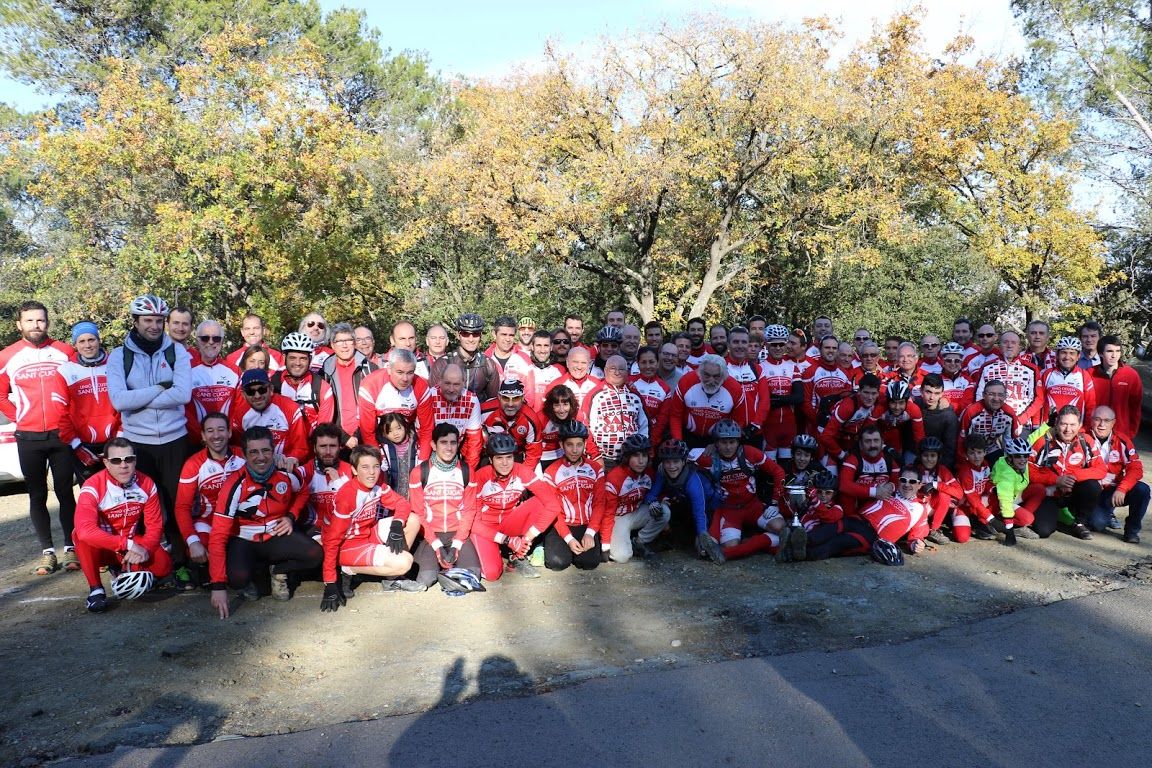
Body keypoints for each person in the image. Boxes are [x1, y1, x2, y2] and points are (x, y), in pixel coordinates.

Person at [106, 294, 193, 581]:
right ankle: (149, 565)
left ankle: (181, 563)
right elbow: (118, 401)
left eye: (159, 320)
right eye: (148, 320)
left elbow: (183, 394)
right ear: (135, 321)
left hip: (174, 439)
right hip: (139, 442)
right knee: (144, 508)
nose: (154, 326)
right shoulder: (120, 356)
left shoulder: (177, 352)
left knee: (177, 504)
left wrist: (138, 399)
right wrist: (159, 388)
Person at [0, 300, 79, 574]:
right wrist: (19, 416)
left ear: (48, 322)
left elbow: (78, 388)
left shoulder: (65, 352)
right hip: (29, 436)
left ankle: (71, 548)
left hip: (61, 435)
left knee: (65, 491)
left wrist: (71, 419)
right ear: (19, 324)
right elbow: (0, 394)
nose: (36, 325)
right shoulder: (6, 356)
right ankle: (47, 551)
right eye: (30, 321)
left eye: (41, 320)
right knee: (36, 495)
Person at [210, 426, 321, 617]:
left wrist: (291, 516)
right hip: (244, 539)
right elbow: (218, 535)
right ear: (244, 455)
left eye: (265, 450)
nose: (261, 457)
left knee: (315, 554)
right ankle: (254, 574)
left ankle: (278, 571)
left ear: (273, 450)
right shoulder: (234, 484)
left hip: (275, 533)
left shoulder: (287, 473)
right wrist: (217, 585)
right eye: (253, 452)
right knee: (236, 579)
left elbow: (303, 491)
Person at [73, 438, 172, 612]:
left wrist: (145, 550)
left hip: (130, 545)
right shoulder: (92, 486)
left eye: (129, 459)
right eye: (116, 461)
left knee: (163, 566)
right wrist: (130, 545)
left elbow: (155, 527)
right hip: (104, 547)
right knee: (80, 537)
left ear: (135, 460)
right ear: (106, 463)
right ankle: (95, 589)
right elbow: (85, 531)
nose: (123, 465)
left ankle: (123, 568)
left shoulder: (146, 483)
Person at [319, 445, 420, 610]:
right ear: (354, 470)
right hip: (347, 545)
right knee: (405, 561)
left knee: (412, 520)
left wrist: (397, 524)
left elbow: (402, 503)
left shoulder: (376, 483)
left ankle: (392, 578)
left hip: (366, 534)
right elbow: (332, 540)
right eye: (365, 467)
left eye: (376, 466)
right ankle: (347, 570)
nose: (372, 472)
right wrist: (329, 581)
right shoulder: (347, 496)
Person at [696, 419, 791, 561]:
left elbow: (778, 472)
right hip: (729, 511)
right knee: (730, 546)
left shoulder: (750, 453)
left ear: (738, 442)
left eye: (732, 442)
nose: (728, 447)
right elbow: (683, 467)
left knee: (781, 528)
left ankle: (750, 543)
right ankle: (757, 543)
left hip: (753, 506)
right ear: (716, 442)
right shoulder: (707, 458)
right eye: (723, 442)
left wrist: (774, 502)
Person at [469, 433, 560, 580]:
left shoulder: (522, 471)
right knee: (492, 574)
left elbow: (553, 505)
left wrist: (528, 536)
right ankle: (498, 551)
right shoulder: (480, 477)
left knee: (540, 502)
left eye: (509, 457)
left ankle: (517, 556)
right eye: (499, 458)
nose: (505, 463)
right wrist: (506, 540)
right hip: (486, 526)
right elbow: (472, 522)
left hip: (510, 523)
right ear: (490, 459)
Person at [408, 423, 483, 592]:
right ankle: (439, 565)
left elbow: (469, 510)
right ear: (434, 445)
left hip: (457, 532)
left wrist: (457, 543)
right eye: (443, 442)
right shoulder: (419, 472)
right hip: (430, 535)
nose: (449, 448)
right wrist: (436, 545)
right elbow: (418, 512)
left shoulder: (466, 470)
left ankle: (448, 565)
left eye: (453, 442)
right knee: (426, 580)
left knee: (473, 575)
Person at [174, 412, 246, 586]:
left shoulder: (243, 455)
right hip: (209, 520)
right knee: (200, 544)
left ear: (229, 433)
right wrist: (192, 542)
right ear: (203, 436)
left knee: (239, 575)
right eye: (210, 431)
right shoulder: (193, 464)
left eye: (221, 430)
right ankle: (204, 567)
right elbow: (182, 506)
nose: (216, 435)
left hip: (241, 520)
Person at [1020, 406, 1104, 539]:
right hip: (1050, 494)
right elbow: (1029, 472)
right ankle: (1055, 515)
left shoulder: (1085, 440)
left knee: (1092, 486)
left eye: (1072, 425)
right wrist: (1057, 480)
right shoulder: (1044, 441)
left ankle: (1080, 523)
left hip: (1073, 491)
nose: (1068, 429)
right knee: (1043, 531)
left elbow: (1101, 469)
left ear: (1079, 425)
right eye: (1064, 424)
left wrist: (1074, 477)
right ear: (1057, 423)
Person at [56, 321, 119, 483]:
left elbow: (126, 404)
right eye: (82, 341)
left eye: (91, 339)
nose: (88, 345)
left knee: (119, 493)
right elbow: (60, 412)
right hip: (82, 445)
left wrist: (120, 437)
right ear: (75, 344)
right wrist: (75, 444)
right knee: (90, 495)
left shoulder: (115, 364)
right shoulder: (66, 370)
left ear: (99, 340)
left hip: (114, 441)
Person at [643, 437, 724, 561]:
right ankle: (671, 536)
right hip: (684, 501)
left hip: (709, 507)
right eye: (667, 462)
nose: (671, 466)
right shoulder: (662, 470)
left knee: (702, 550)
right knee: (664, 509)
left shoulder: (693, 480)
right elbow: (652, 494)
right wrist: (652, 502)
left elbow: (700, 513)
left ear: (684, 461)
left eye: (676, 461)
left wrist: (702, 534)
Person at [543, 420, 606, 571]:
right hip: (562, 525)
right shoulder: (551, 472)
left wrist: (590, 533)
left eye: (579, 444)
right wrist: (568, 539)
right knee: (557, 563)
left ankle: (579, 548)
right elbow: (553, 510)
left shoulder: (596, 469)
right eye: (569, 444)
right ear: (561, 445)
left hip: (586, 525)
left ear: (585, 444)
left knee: (589, 563)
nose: (575, 450)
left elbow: (600, 504)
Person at [593, 433, 665, 563]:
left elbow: (656, 493)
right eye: (636, 456)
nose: (641, 461)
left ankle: (639, 542)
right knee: (621, 557)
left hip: (637, 512)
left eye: (644, 455)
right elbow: (607, 513)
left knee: (664, 511)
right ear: (627, 457)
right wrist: (605, 544)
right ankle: (623, 542)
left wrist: (659, 501)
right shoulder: (615, 478)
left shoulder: (649, 473)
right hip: (617, 517)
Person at [1085, 405, 1147, 542]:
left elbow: (1136, 468)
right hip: (1091, 491)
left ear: (1113, 423)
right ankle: (1098, 514)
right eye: (1098, 419)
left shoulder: (1122, 440)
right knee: (1097, 524)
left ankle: (1132, 531)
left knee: (1143, 490)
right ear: (1091, 420)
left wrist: (1122, 488)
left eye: (1107, 420)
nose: (1102, 424)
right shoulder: (1082, 438)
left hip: (1114, 490)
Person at [664, 353, 748, 454]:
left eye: (716, 376)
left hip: (718, 438)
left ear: (724, 376)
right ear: (699, 372)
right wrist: (679, 441)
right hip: (687, 434)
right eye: (707, 375)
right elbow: (675, 415)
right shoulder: (686, 381)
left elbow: (739, 421)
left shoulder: (735, 388)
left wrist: (718, 444)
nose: (711, 381)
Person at [358, 348, 433, 458]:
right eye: (400, 372)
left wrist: (422, 460)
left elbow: (427, 429)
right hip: (381, 437)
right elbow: (368, 432)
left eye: (410, 373)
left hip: (408, 436)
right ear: (389, 369)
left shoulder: (421, 386)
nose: (405, 379)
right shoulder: (370, 385)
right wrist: (379, 460)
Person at [229, 368, 310, 466]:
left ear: (271, 389)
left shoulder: (290, 408)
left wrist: (291, 459)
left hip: (283, 468)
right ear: (243, 394)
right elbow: (238, 447)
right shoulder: (239, 414)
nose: (257, 396)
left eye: (262, 390)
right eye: (250, 392)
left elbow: (301, 447)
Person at [581, 355, 648, 470]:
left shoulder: (634, 395)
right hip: (604, 459)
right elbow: (584, 426)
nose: (617, 372)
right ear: (605, 371)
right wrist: (595, 455)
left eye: (621, 369)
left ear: (627, 372)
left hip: (632, 458)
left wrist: (643, 451)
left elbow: (645, 426)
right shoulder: (595, 394)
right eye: (612, 368)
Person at [320, 322, 378, 456]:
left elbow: (377, 407)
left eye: (348, 340)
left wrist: (359, 435)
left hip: (366, 436)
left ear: (354, 343)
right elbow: (324, 413)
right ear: (333, 345)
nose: (344, 345)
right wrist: (344, 438)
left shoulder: (371, 370)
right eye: (339, 341)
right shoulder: (324, 373)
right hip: (336, 440)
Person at [969, 330, 1043, 429]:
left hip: (1021, 424)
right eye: (1005, 342)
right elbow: (978, 396)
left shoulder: (1031, 369)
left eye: (1013, 343)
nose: (1009, 345)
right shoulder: (987, 367)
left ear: (1019, 347)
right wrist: (985, 417)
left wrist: (1020, 420)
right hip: (990, 423)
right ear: (999, 346)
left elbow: (1037, 399)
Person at [186, 319, 240, 445]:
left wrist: (228, 433)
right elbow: (183, 409)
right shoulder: (186, 370)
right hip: (195, 441)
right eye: (205, 338)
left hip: (228, 440)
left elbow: (239, 407)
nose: (211, 342)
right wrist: (201, 435)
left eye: (216, 338)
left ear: (221, 341)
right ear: (197, 341)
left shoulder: (234, 370)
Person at [800, 471, 875, 560]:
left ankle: (802, 548)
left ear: (834, 494)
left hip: (822, 540)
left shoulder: (837, 508)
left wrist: (816, 502)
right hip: (804, 533)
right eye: (819, 492)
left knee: (816, 550)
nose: (823, 496)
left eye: (828, 492)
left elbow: (828, 517)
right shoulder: (809, 504)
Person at [296, 423, 354, 535]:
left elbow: (356, 506)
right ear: (314, 448)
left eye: (332, 446)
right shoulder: (303, 472)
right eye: (322, 446)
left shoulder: (351, 471)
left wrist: (338, 482)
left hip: (344, 529)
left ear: (340, 447)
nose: (328, 452)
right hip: (312, 530)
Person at [859, 467, 931, 556]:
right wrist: (881, 488)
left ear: (920, 485)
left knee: (839, 543)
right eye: (903, 480)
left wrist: (915, 545)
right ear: (898, 481)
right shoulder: (886, 489)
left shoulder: (920, 509)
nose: (907, 485)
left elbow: (916, 537)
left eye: (912, 481)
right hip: (856, 520)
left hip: (873, 539)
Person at [429, 313, 500, 401]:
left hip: (479, 413)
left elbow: (493, 402)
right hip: (448, 413)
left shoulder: (488, 364)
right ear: (458, 335)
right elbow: (434, 400)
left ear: (480, 336)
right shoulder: (442, 363)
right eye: (465, 334)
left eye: (476, 334)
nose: (471, 339)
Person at [272, 332, 333, 431]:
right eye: (292, 358)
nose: (298, 363)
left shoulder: (322, 387)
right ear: (284, 357)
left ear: (310, 359)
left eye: (303, 358)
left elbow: (324, 431)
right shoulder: (273, 384)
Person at [428, 364, 484, 469]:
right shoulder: (429, 396)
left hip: (455, 450)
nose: (451, 389)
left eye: (456, 384)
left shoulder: (471, 400)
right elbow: (423, 436)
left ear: (464, 383)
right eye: (447, 383)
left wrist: (468, 471)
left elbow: (474, 442)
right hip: (431, 449)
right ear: (440, 381)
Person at [989, 436, 1043, 545]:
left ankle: (1017, 521)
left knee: (1039, 489)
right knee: (1028, 519)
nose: (1023, 459)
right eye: (1018, 456)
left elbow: (1034, 436)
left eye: (1026, 455)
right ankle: (1001, 524)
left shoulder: (1020, 464)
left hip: (1013, 494)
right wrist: (1009, 530)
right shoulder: (1006, 474)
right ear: (1010, 457)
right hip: (999, 501)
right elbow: (1005, 500)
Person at [481, 378, 544, 470]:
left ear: (522, 398)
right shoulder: (484, 410)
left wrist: (522, 476)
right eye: (506, 398)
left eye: (516, 398)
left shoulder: (531, 419)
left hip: (517, 456)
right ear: (499, 397)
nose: (510, 404)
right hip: (489, 456)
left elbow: (533, 454)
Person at [838, 425, 901, 516]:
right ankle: (851, 520)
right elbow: (844, 485)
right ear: (860, 444)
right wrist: (874, 492)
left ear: (882, 442)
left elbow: (897, 482)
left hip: (881, 503)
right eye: (867, 441)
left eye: (876, 440)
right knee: (846, 495)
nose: (872, 445)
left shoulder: (890, 460)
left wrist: (891, 486)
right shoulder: (853, 459)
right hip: (857, 504)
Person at [820, 373, 883, 462]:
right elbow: (825, 437)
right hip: (827, 433)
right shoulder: (848, 406)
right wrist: (842, 455)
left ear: (878, 393)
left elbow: (865, 430)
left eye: (873, 393)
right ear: (859, 391)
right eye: (866, 392)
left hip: (847, 435)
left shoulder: (879, 401)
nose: (870, 397)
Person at [912, 437, 963, 544]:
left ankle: (934, 530)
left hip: (931, 507)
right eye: (925, 455)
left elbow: (959, 493)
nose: (929, 459)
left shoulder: (942, 470)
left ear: (939, 457)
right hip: (914, 507)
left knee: (944, 495)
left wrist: (936, 485)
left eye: (933, 455)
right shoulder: (912, 469)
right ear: (920, 456)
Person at [1092, 335, 1143, 440]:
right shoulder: (1089, 374)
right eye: (1109, 351)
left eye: (1117, 351)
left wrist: (1130, 433)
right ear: (1100, 353)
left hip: (1121, 434)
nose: (1114, 355)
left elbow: (1135, 408)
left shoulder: (1131, 375)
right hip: (1094, 433)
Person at [800, 334, 853, 432]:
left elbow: (848, 401)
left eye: (834, 348)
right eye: (827, 347)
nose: (831, 351)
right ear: (820, 349)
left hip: (838, 426)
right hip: (815, 427)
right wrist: (818, 420)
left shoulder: (845, 373)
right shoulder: (810, 372)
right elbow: (805, 402)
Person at [1039, 337, 1095, 425]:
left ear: (1078, 356)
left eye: (1072, 353)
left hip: (1073, 430)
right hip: (1047, 429)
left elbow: (1091, 406)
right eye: (1063, 352)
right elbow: (1038, 401)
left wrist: (1086, 428)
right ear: (1057, 354)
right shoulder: (1047, 374)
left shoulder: (1084, 376)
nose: (1067, 357)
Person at [957, 379, 1019, 459]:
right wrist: (963, 463)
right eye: (991, 394)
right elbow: (961, 441)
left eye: (1000, 395)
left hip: (991, 448)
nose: (996, 399)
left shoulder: (1009, 413)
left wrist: (1008, 464)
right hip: (973, 452)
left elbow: (1010, 441)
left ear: (1005, 396)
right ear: (983, 395)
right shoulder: (971, 412)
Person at [875, 380, 925, 464]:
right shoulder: (880, 407)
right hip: (881, 431)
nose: (897, 407)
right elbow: (867, 431)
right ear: (887, 401)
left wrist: (922, 455)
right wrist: (884, 447)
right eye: (893, 402)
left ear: (906, 401)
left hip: (900, 434)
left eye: (901, 403)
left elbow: (919, 436)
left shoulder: (914, 409)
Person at [915, 373, 959, 469]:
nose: (932, 397)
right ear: (921, 391)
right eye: (928, 392)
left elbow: (950, 449)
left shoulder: (948, 416)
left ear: (942, 394)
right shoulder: (914, 406)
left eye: (936, 393)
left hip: (937, 460)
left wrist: (941, 470)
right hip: (914, 454)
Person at [629, 346, 672, 437]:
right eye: (643, 362)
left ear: (657, 363)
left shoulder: (665, 388)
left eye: (651, 362)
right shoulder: (629, 382)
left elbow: (662, 421)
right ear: (638, 363)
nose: (648, 366)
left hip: (651, 439)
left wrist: (651, 443)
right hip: (629, 436)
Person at [519, 329, 564, 412]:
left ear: (551, 347)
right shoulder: (523, 368)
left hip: (552, 422)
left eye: (546, 345)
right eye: (539, 345)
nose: (542, 350)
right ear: (532, 347)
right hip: (529, 420)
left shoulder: (560, 371)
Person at [485, 315, 531, 380]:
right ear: (494, 334)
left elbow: (531, 388)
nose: (508, 339)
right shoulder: (485, 360)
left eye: (511, 335)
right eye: (504, 334)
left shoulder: (525, 359)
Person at [939, 342, 972, 410]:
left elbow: (967, 404)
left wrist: (950, 406)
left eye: (957, 361)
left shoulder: (968, 381)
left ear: (961, 362)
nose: (953, 364)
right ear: (943, 362)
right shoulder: (936, 380)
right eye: (948, 360)